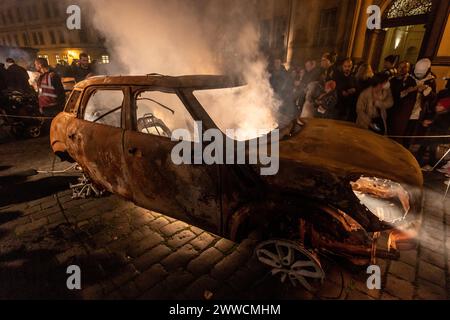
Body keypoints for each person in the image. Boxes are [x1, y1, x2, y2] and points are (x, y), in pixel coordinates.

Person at [404, 58, 437, 150]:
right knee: (402, 132)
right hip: (406, 110)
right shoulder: (409, 77)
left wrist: (426, 91)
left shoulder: (431, 80)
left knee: (411, 134)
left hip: (418, 112)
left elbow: (433, 98)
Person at [387, 61, 417, 142]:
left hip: (401, 112)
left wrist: (405, 92)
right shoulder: (392, 79)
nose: (402, 69)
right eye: (400, 67)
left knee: (396, 133)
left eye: (405, 67)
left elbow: (410, 99)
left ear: (408, 69)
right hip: (390, 109)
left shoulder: (410, 81)